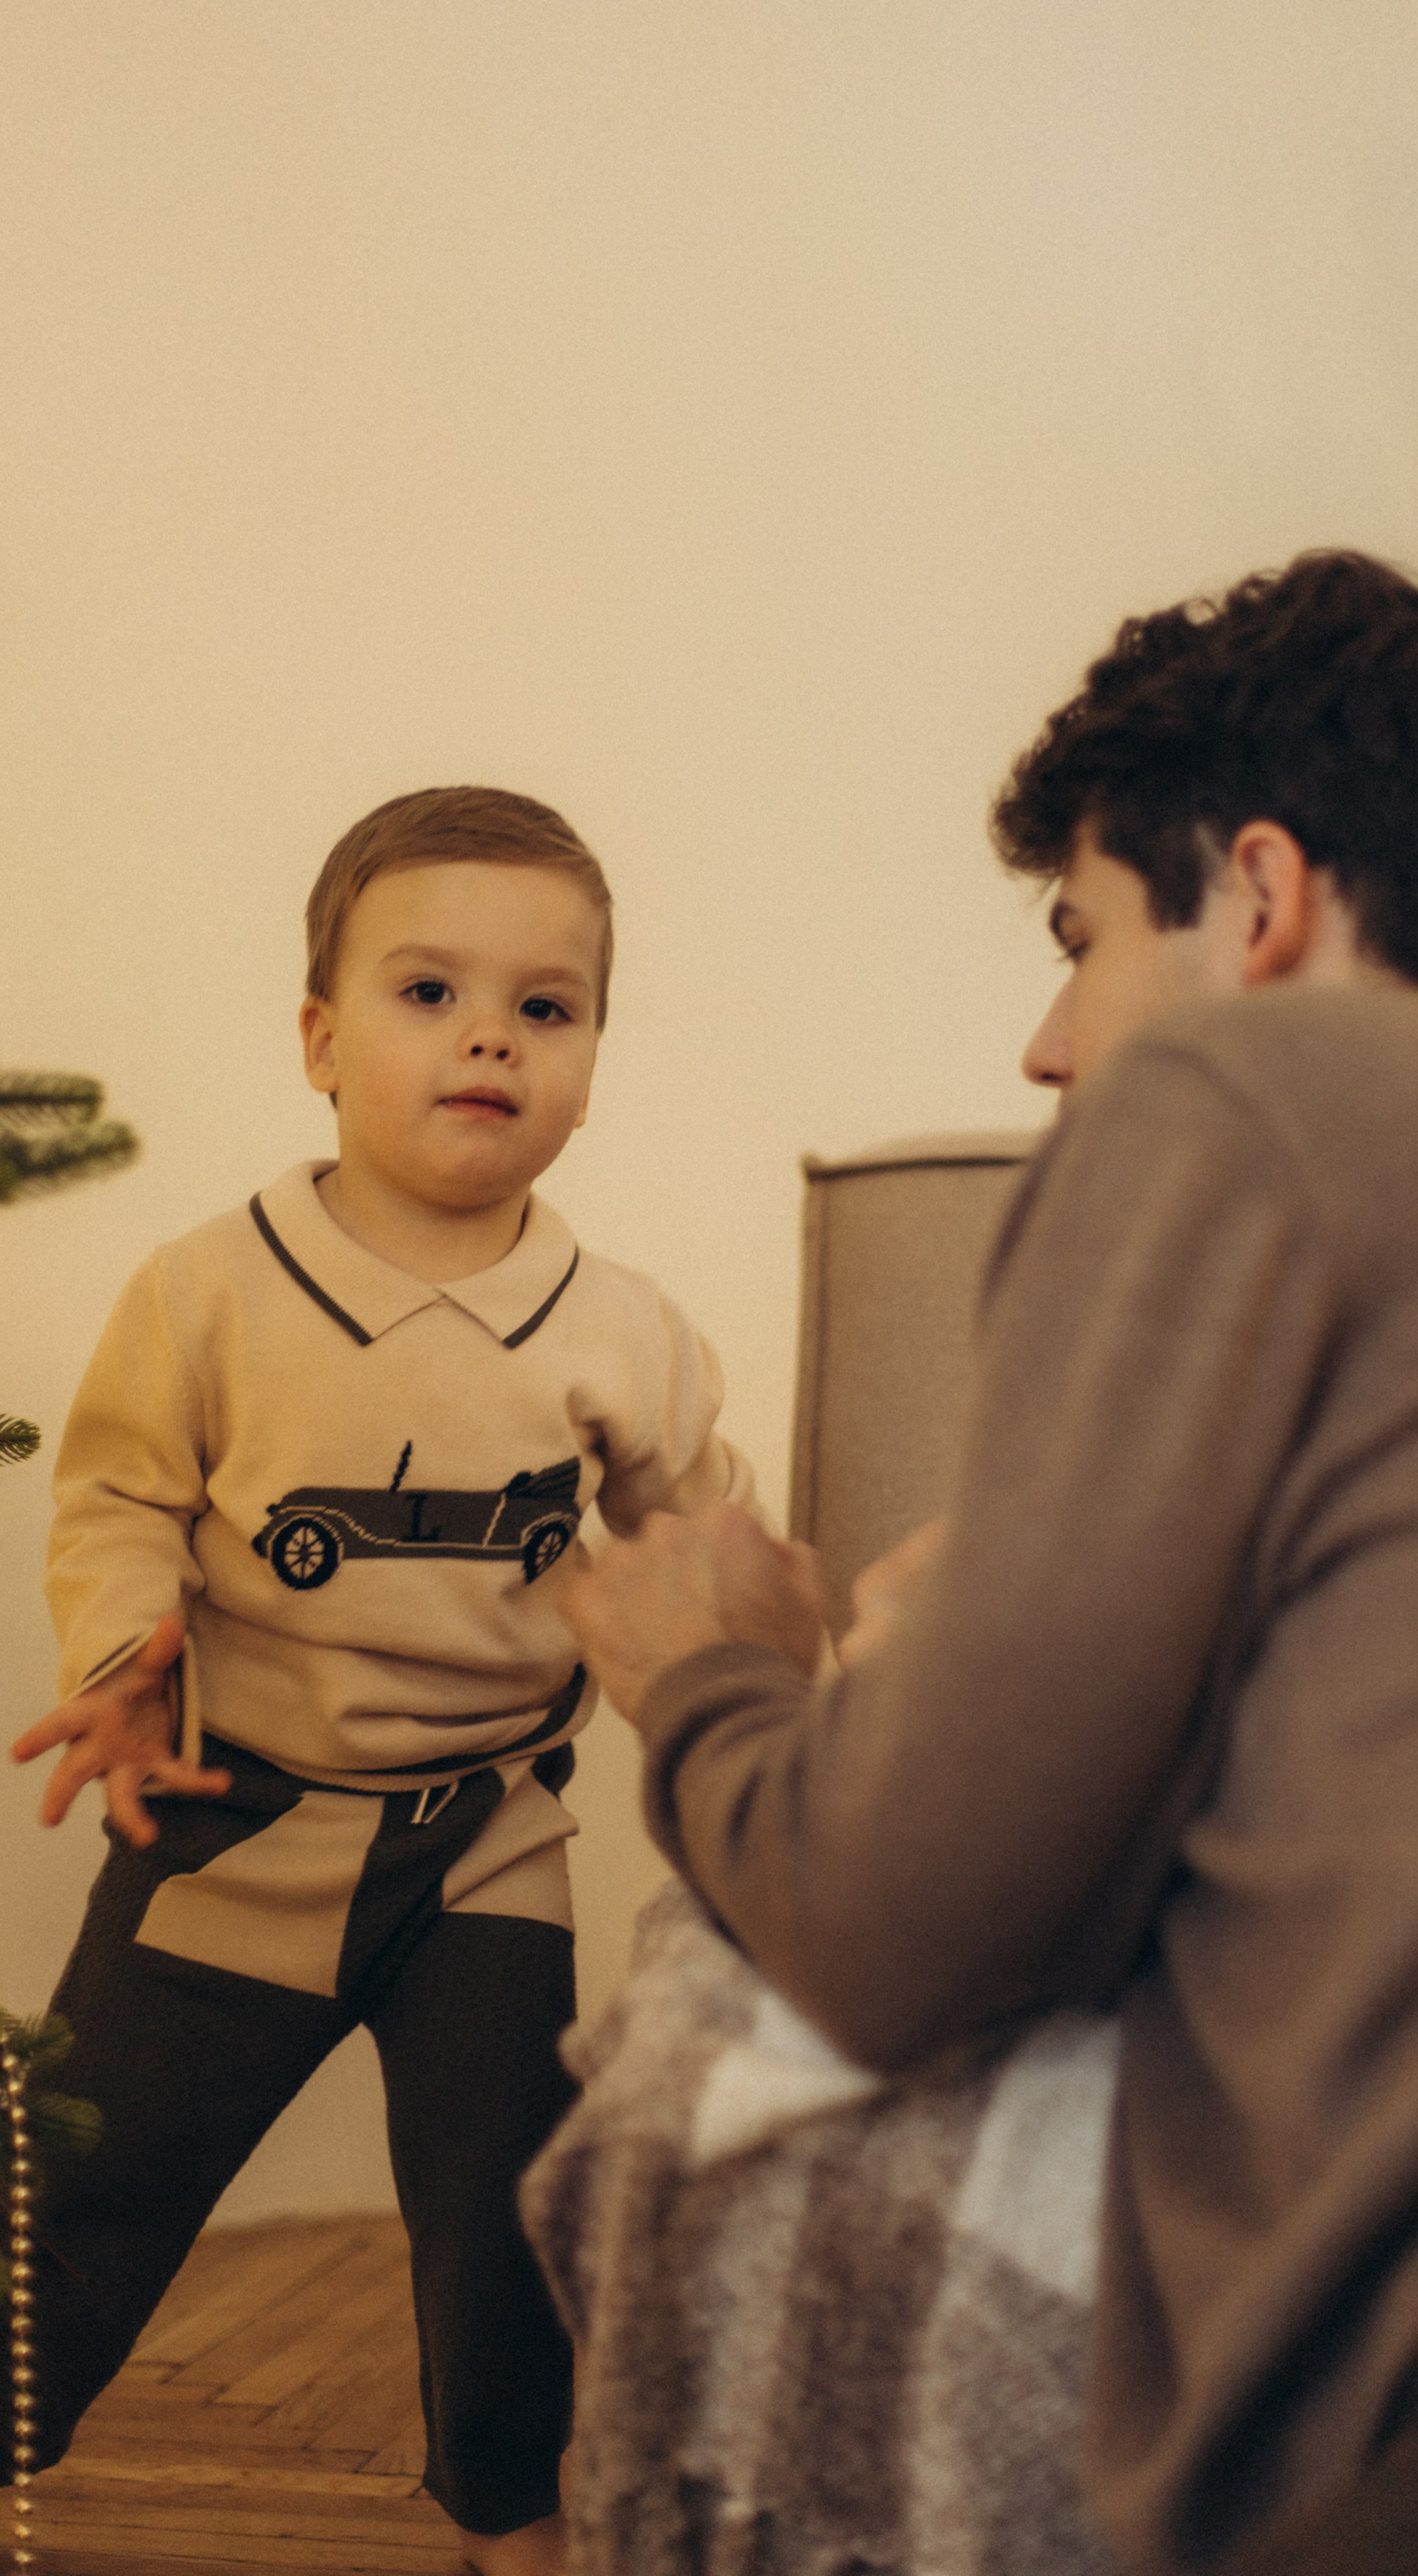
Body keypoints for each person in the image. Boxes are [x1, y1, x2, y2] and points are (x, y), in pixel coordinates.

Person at [559, 550, 1418, 2575]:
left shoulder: (1248, 1085)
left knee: (684, 2056)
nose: (1049, 1045)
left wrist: (720, 1680)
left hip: (1342, 2448)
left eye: (1085, 935)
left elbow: (904, 1929)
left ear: (1264, 900)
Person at [0, 785, 755, 2576]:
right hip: (236, 1821)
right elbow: (114, 1498)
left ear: (593, 1057)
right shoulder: (213, 1294)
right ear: (320, 1041)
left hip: (482, 1841)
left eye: (546, 1009)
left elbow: (703, 1550)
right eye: (428, 993)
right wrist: (121, 1653)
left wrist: (764, 1680)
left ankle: (516, 2514)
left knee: (509, 2222)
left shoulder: (627, 1332)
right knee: (86, 2189)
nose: (489, 1035)